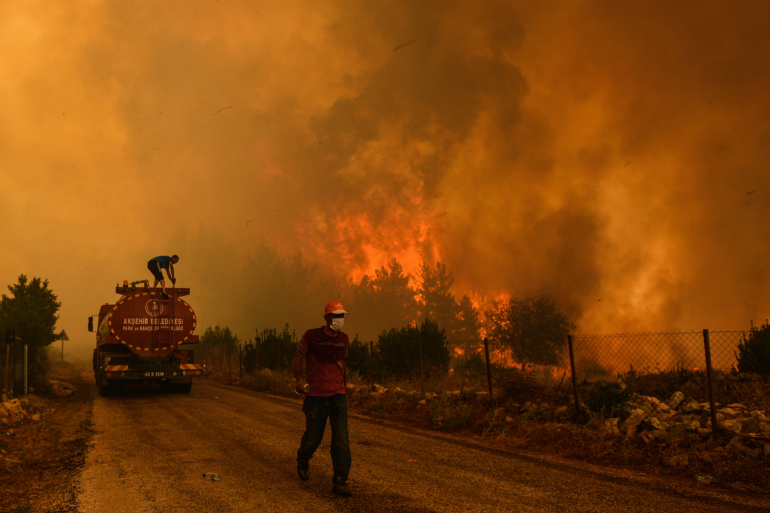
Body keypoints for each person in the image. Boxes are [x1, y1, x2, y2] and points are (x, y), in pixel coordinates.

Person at [293, 300, 352, 497]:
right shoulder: (311, 336)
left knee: (341, 440)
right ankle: (303, 458)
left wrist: (344, 386)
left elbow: (342, 364)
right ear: (327, 318)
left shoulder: (343, 339)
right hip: (316, 397)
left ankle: (341, 480)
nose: (339, 320)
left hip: (338, 397)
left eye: (341, 316)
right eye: (336, 316)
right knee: (313, 438)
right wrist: (299, 379)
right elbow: (297, 360)